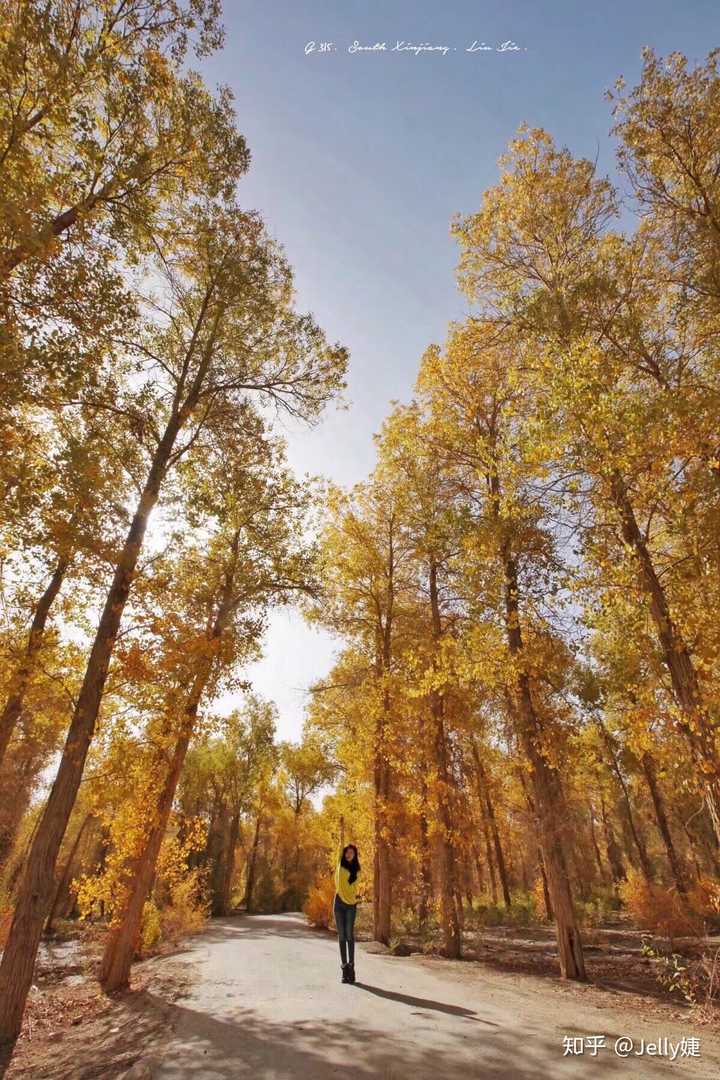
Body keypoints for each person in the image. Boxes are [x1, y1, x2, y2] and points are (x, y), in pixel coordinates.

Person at [334, 844, 360, 984]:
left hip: (351, 905)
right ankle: (344, 969)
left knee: (349, 935)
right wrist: (342, 825)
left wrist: (353, 900)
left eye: (352, 853)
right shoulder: (340, 866)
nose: (349, 854)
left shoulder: (357, 871)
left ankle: (352, 967)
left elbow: (352, 889)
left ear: (355, 855)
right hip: (338, 903)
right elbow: (340, 844)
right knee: (342, 936)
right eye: (347, 852)